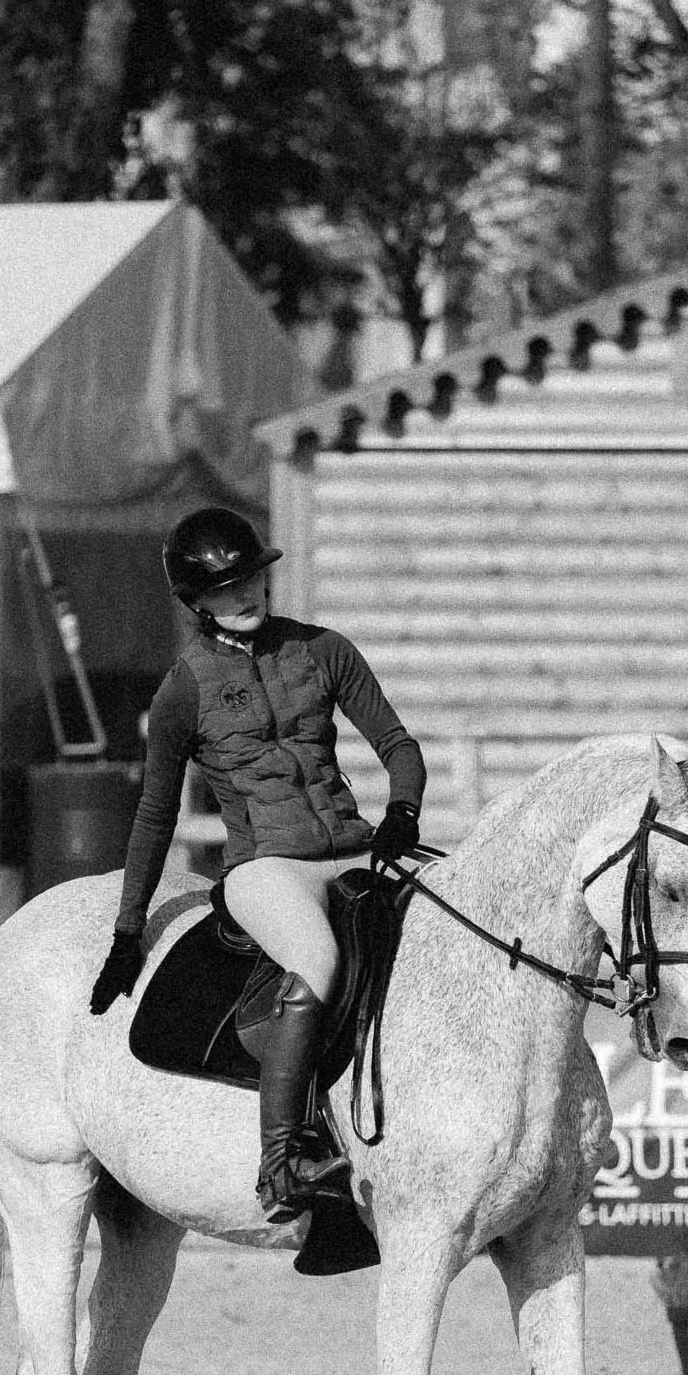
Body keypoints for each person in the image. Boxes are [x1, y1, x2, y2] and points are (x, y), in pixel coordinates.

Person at [90, 505, 426, 1219]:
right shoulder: (183, 689)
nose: (246, 595)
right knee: (318, 958)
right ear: (196, 601)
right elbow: (155, 815)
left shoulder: (324, 649)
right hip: (266, 868)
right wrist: (127, 931)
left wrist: (402, 812)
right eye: (226, 587)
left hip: (355, 848)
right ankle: (284, 1161)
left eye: (253, 580)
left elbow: (398, 745)